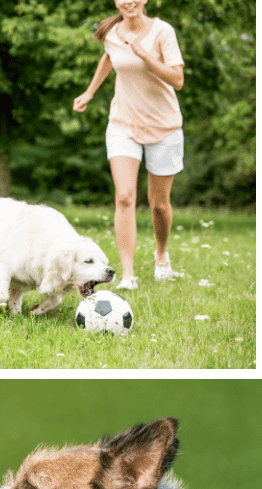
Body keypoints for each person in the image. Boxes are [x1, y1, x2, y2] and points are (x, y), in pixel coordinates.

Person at [73, 0, 185, 291]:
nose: (129, 1)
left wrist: (143, 53)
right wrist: (89, 92)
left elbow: (178, 79)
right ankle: (128, 275)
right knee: (124, 196)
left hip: (164, 127)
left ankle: (161, 255)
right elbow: (109, 57)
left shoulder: (162, 32)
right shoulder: (112, 32)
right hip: (123, 124)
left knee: (159, 205)